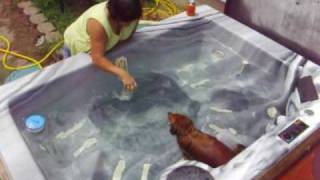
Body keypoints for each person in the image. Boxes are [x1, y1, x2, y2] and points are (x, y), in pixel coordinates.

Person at [63, 0, 142, 91]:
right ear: (115, 18)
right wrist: (122, 73)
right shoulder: (98, 24)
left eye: (133, 21)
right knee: (77, 85)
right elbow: (97, 58)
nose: (131, 24)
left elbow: (127, 37)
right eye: (127, 22)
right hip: (79, 45)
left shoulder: (133, 14)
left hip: (102, 46)